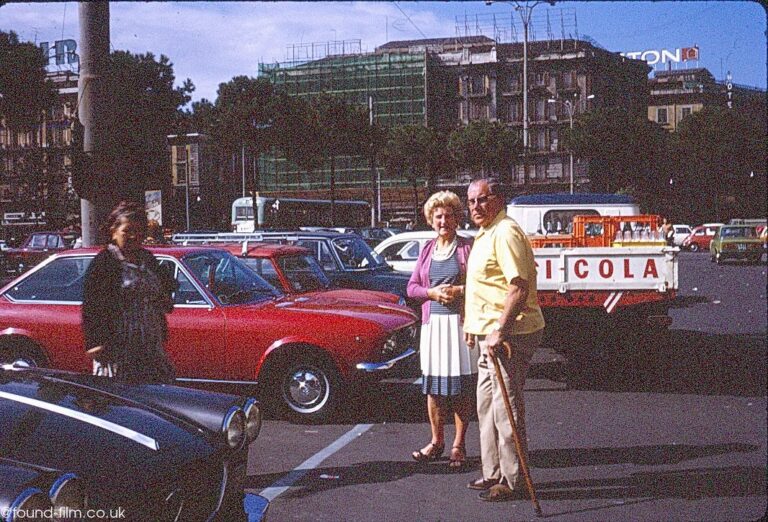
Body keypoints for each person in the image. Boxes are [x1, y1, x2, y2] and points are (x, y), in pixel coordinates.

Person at [462, 178, 545, 502]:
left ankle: (514, 481)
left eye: (482, 199)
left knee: (504, 408)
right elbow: (484, 285)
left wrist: (500, 330)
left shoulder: (506, 231)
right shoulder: (486, 233)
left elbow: (518, 287)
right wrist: (473, 323)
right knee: (485, 406)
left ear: (499, 199)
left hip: (512, 334)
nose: (475, 207)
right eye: (470, 201)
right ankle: (492, 471)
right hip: (488, 335)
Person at [407, 190, 476, 469]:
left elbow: (482, 285)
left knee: (460, 388)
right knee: (434, 388)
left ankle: (458, 445)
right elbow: (412, 289)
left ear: (457, 218)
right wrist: (432, 293)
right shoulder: (426, 250)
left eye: (449, 215)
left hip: (460, 325)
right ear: (430, 220)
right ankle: (436, 442)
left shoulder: (467, 247)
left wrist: (460, 290)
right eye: (438, 216)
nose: (443, 221)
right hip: (433, 326)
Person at [82, 201, 178, 383]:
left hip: (150, 344)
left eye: (139, 231)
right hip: (117, 347)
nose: (133, 236)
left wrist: (164, 299)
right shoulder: (104, 263)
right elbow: (92, 306)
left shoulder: (147, 259)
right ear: (114, 231)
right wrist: (95, 342)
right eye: (127, 230)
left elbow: (167, 287)